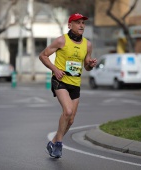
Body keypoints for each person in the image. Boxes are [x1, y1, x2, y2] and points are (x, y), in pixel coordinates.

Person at [39, 13, 97, 158]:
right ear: (70, 25)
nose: (81, 25)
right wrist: (55, 69)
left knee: (70, 120)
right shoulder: (61, 41)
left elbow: (87, 67)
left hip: (75, 83)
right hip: (60, 80)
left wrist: (90, 65)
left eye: (83, 23)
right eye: (78, 23)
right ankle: (59, 144)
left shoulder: (87, 44)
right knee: (68, 111)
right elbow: (43, 55)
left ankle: (53, 142)